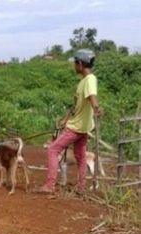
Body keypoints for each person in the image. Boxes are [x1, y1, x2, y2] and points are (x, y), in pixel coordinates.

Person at [35, 49, 102, 195]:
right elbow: (75, 104)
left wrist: (96, 108)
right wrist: (65, 119)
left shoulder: (89, 80)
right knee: (81, 156)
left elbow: (92, 96)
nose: (74, 66)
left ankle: (50, 185)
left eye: (74, 63)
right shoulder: (83, 82)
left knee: (53, 149)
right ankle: (82, 187)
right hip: (82, 127)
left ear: (80, 63)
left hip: (76, 127)